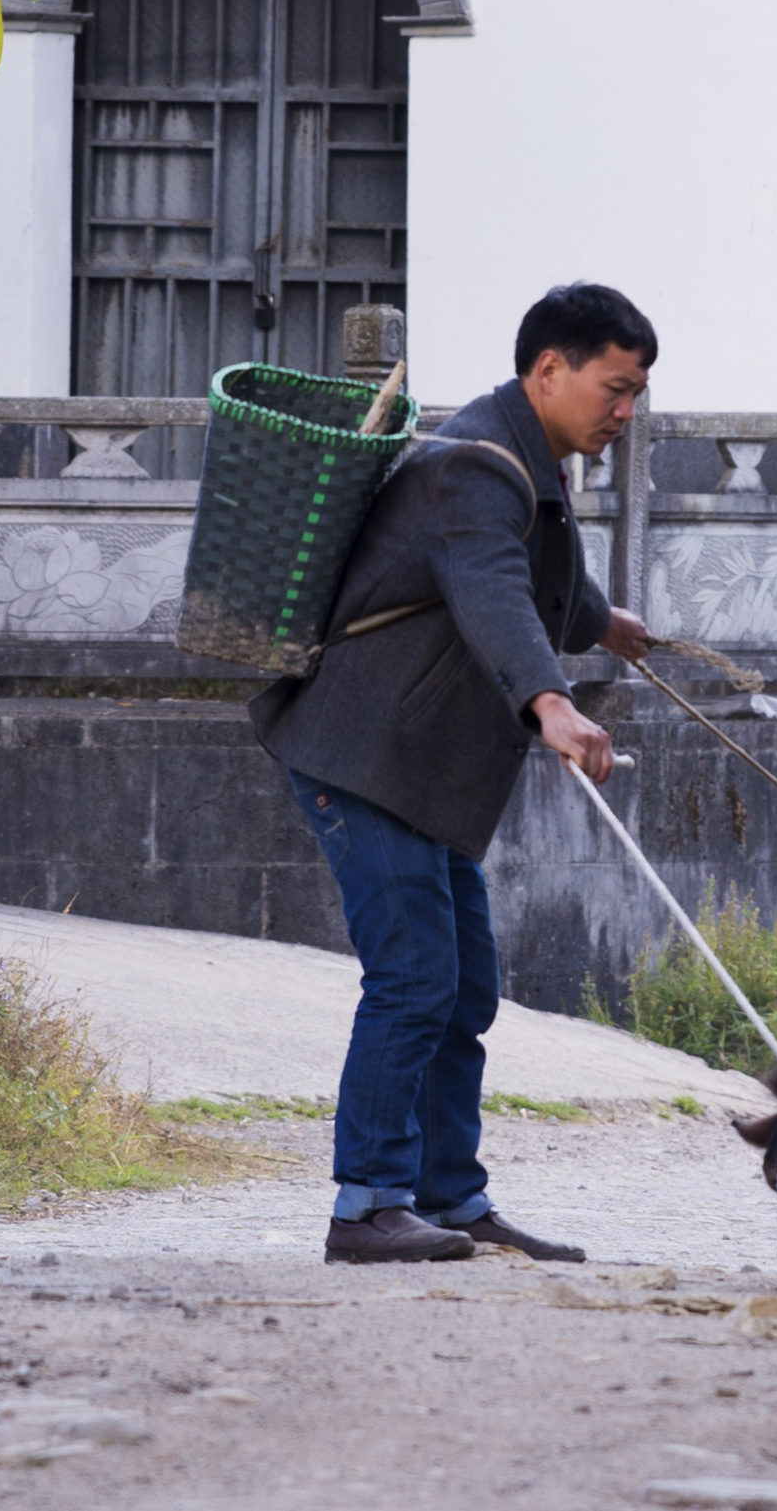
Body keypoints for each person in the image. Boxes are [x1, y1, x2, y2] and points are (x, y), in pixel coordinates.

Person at [251, 283, 655, 1265]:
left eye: (636, 393)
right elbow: (490, 587)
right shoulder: (474, 465)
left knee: (464, 986)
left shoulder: (524, 457)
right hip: (363, 754)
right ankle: (366, 1205)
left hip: (420, 768)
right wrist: (550, 699)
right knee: (414, 976)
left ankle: (450, 1196)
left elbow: (541, 578)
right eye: (614, 387)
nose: (624, 410)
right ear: (549, 369)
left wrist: (603, 624)